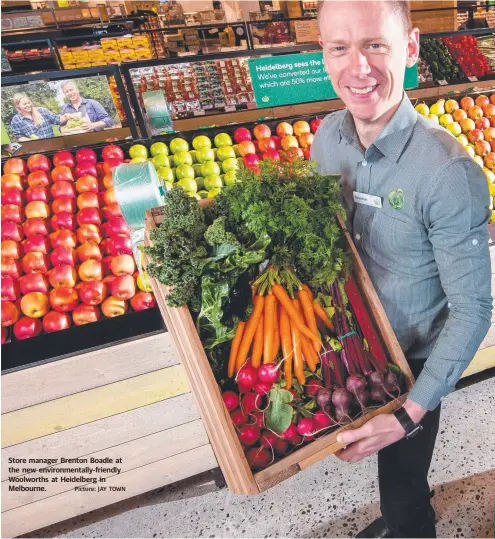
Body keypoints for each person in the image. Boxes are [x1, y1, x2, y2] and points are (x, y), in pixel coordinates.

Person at [311, 2, 492, 537]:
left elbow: (473, 310)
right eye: (339, 47)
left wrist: (409, 413)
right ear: (323, 55)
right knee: (384, 469)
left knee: (402, 476)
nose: (357, 68)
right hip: (352, 341)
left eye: (375, 45)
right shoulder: (326, 138)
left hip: (413, 359)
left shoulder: (447, 173)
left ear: (411, 47)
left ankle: (410, 524)